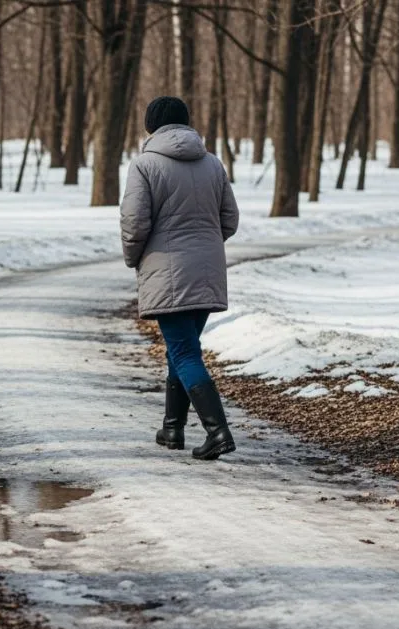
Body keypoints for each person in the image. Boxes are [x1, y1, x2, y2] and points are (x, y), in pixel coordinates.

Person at [120, 96, 240, 461]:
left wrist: (133, 257)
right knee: (182, 348)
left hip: (166, 269)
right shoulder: (213, 164)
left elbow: (135, 222)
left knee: (184, 351)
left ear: (150, 127)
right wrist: (204, 244)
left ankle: (218, 432)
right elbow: (229, 219)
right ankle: (172, 427)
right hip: (207, 272)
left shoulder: (144, 166)